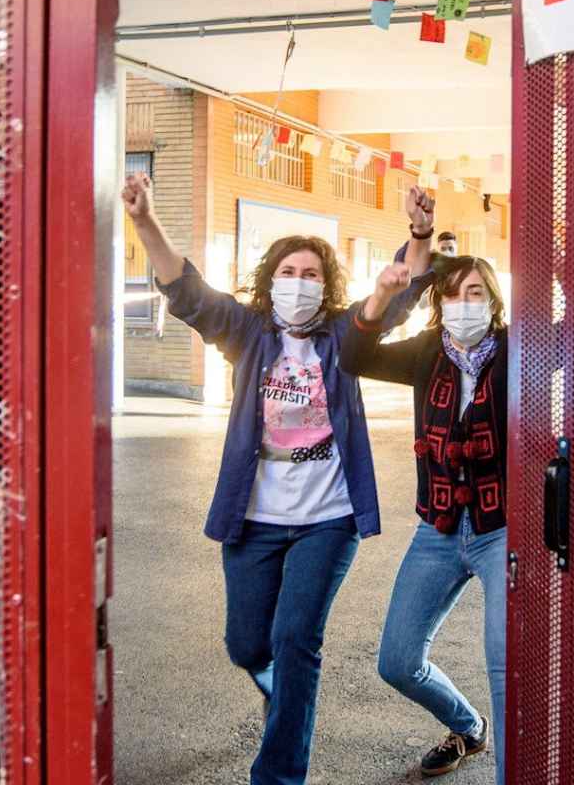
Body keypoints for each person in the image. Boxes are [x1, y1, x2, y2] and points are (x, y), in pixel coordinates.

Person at [121, 172, 437, 785]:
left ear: (326, 287)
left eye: (311, 274)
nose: (299, 283)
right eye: (288, 273)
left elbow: (388, 303)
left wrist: (418, 234)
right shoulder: (247, 334)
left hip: (328, 519)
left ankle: (279, 772)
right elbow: (187, 292)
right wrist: (144, 221)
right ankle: (278, 692)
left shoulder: (343, 338)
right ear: (271, 283)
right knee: (247, 645)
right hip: (254, 518)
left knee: (296, 642)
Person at [339, 256, 510, 780]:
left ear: (494, 300)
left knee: (505, 668)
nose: (465, 305)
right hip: (437, 526)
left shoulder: (518, 350)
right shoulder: (426, 352)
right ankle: (468, 727)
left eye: (476, 293)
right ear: (440, 304)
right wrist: (382, 296)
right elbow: (354, 354)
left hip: (499, 528)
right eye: (454, 294)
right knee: (397, 661)